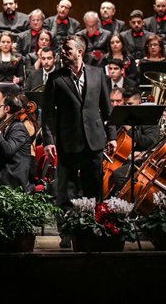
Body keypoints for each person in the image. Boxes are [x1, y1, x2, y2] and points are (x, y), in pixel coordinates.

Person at [42, 35, 115, 248]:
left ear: (80, 51)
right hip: (67, 141)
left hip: (94, 140)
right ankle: (66, 234)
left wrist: (111, 135)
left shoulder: (97, 74)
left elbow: (106, 109)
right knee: (65, 191)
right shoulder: (55, 77)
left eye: (67, 49)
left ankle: (95, 230)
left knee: (94, 189)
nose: (62, 53)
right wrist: (48, 140)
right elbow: (47, 114)